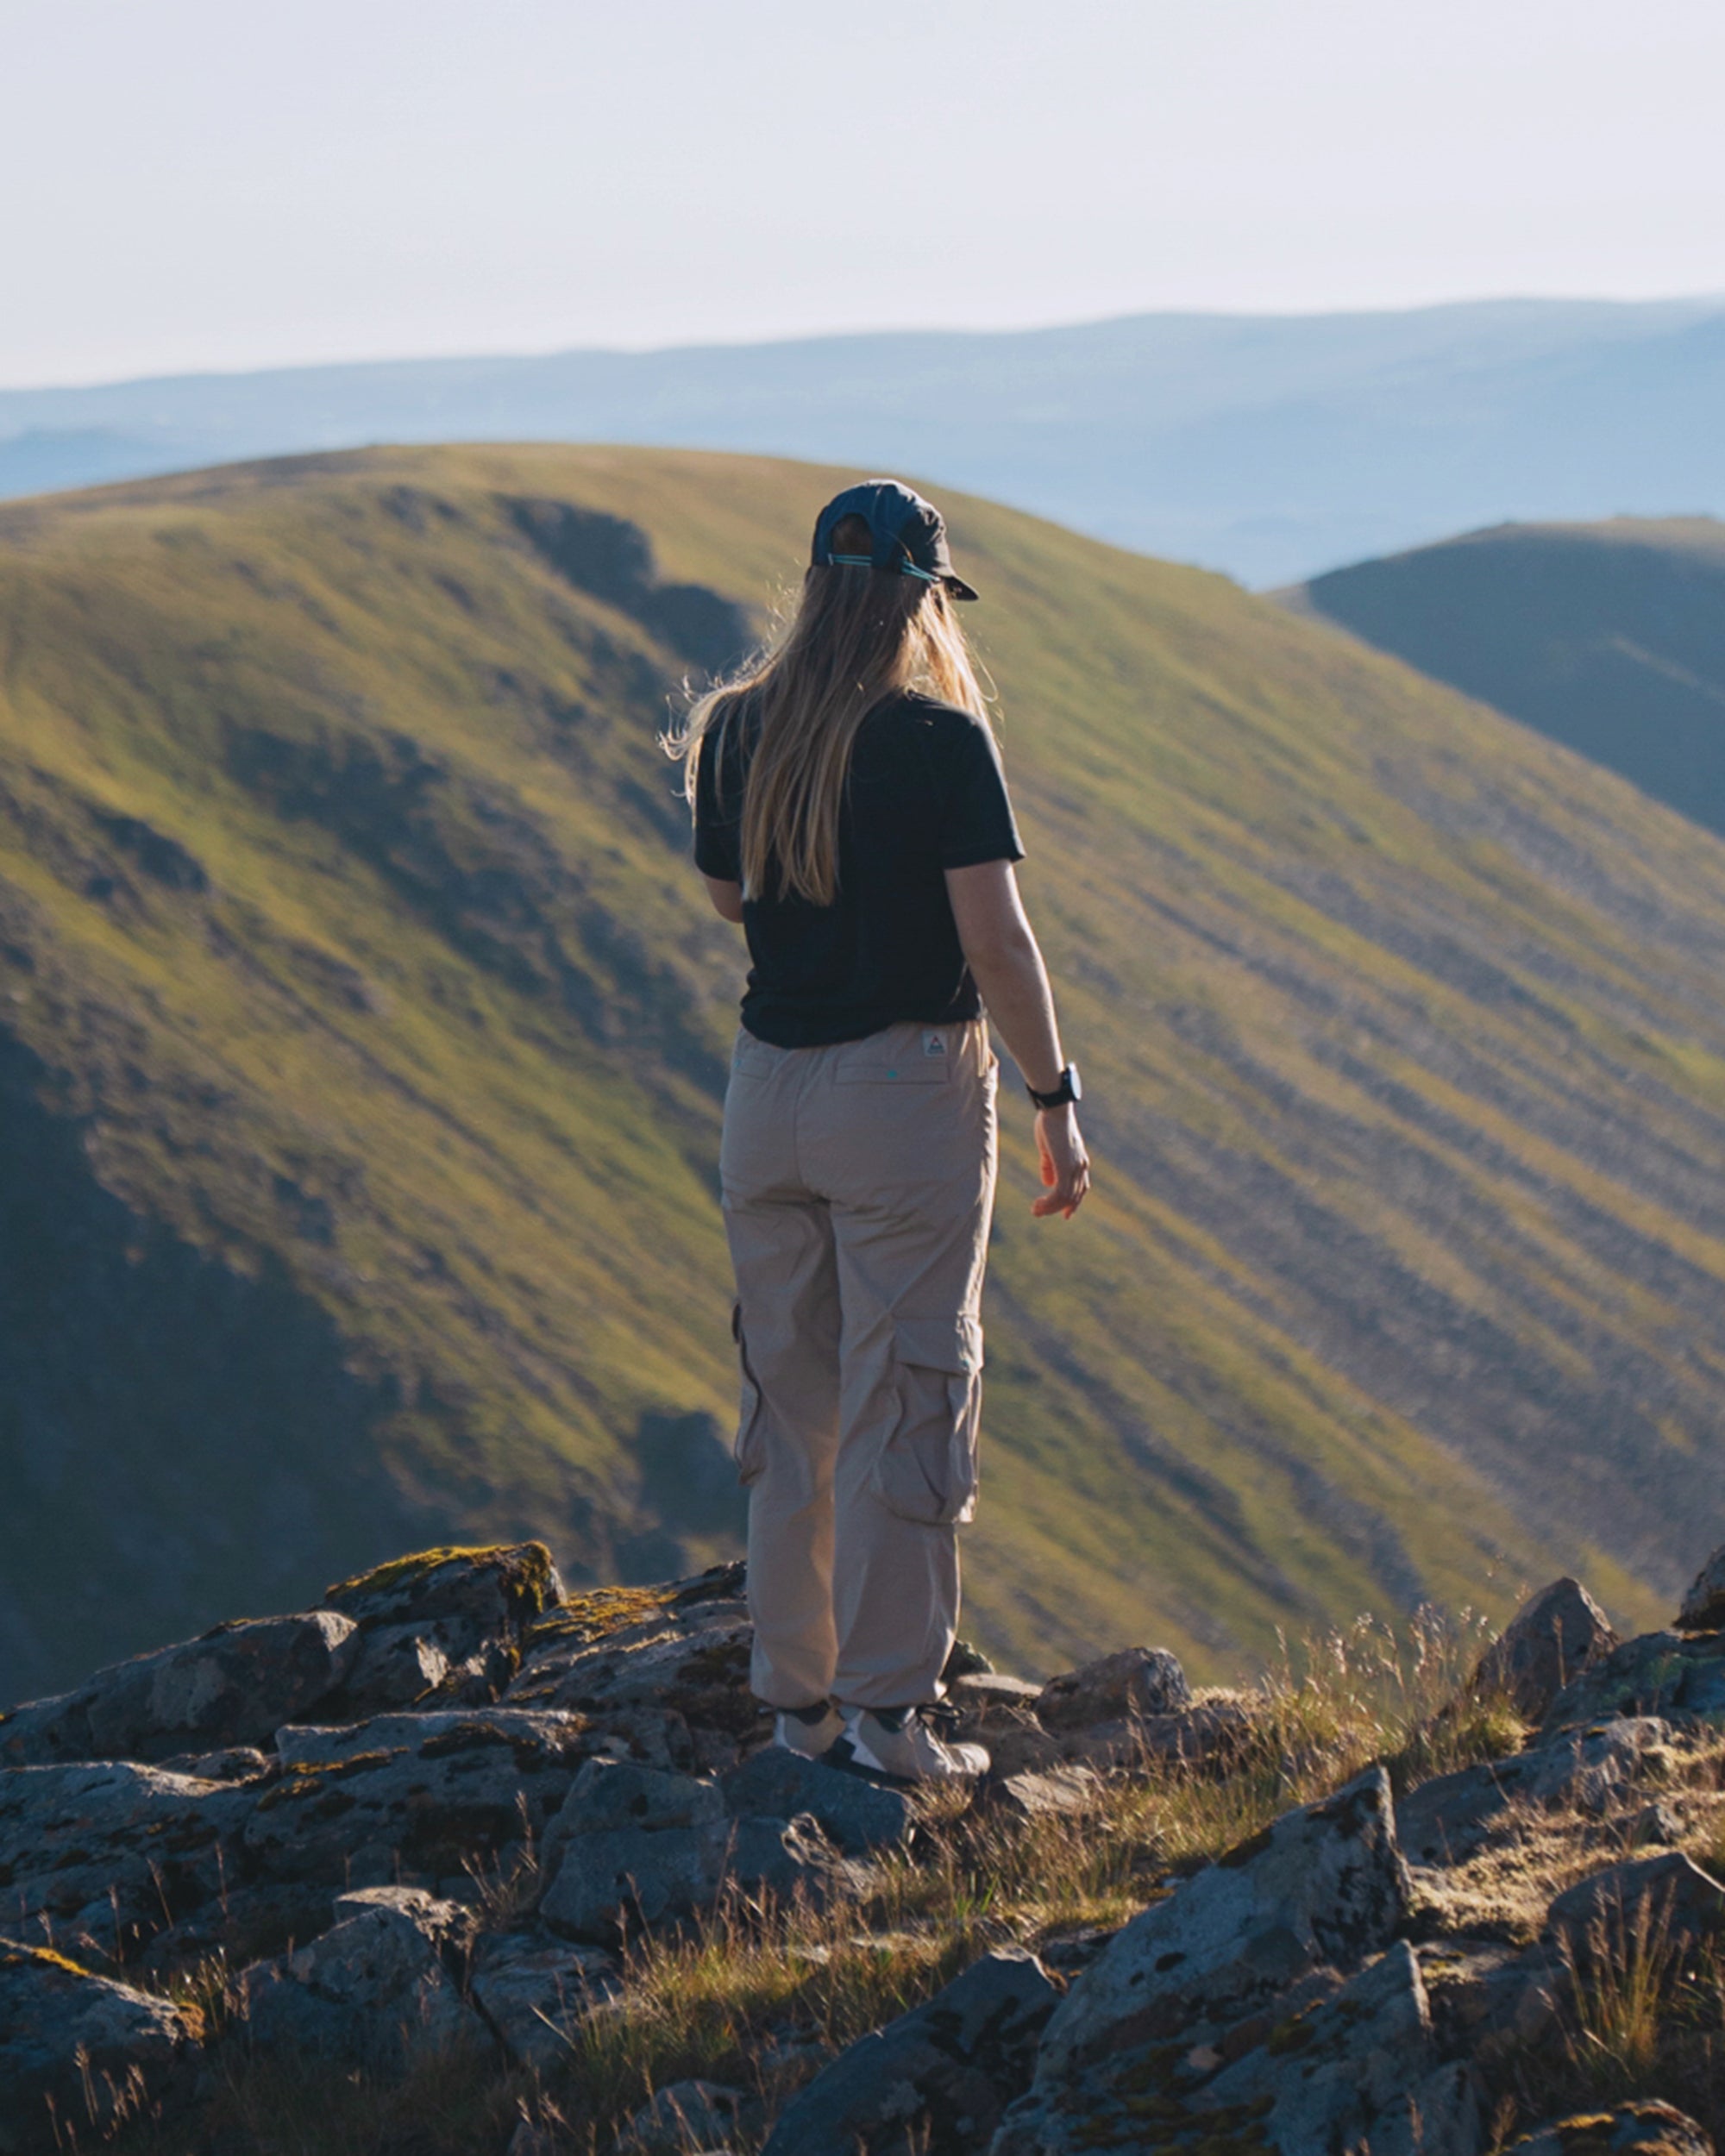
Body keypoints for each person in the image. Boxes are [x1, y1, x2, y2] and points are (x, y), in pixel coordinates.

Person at [673, 479, 1089, 1783]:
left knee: (789, 1405)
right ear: (919, 594)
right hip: (902, 1092)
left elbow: (735, 901)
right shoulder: (935, 740)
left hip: (768, 1099)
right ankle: (889, 1722)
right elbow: (995, 942)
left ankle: (795, 1709)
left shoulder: (739, 728)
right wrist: (1054, 1097)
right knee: (907, 1389)